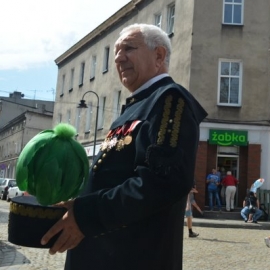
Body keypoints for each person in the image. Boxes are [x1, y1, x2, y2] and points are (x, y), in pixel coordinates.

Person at [41, 23, 207, 270]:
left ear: (159, 56)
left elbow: (163, 182)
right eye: (117, 51)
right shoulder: (136, 106)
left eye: (128, 48)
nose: (118, 58)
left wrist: (87, 215)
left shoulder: (169, 99)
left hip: (132, 257)